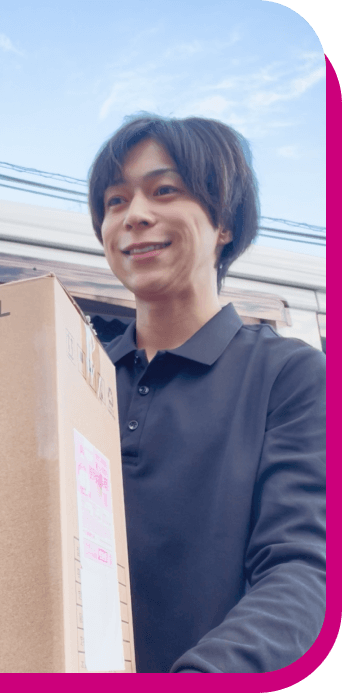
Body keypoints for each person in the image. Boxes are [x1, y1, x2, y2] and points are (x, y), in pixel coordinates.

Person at [87, 114, 326, 673]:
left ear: (225, 223)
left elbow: (305, 569)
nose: (134, 215)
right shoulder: (77, 374)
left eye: (164, 190)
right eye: (116, 201)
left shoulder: (291, 376)